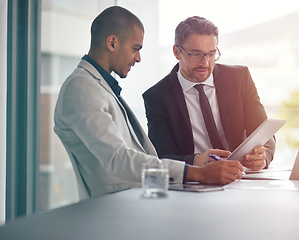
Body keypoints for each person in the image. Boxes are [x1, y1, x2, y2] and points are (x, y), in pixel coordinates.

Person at [54, 7, 243, 198]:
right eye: (135, 48)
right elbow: (117, 159)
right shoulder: (81, 88)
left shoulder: (99, 86)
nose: (138, 58)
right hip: (112, 209)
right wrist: (196, 173)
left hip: (131, 202)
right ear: (112, 43)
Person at [143, 16, 276, 171]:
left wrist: (263, 157)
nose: (205, 63)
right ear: (176, 52)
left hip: (242, 176)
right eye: (196, 54)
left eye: (211, 54)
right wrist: (197, 160)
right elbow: (163, 156)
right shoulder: (157, 97)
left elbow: (264, 134)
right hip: (196, 181)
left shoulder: (239, 78)